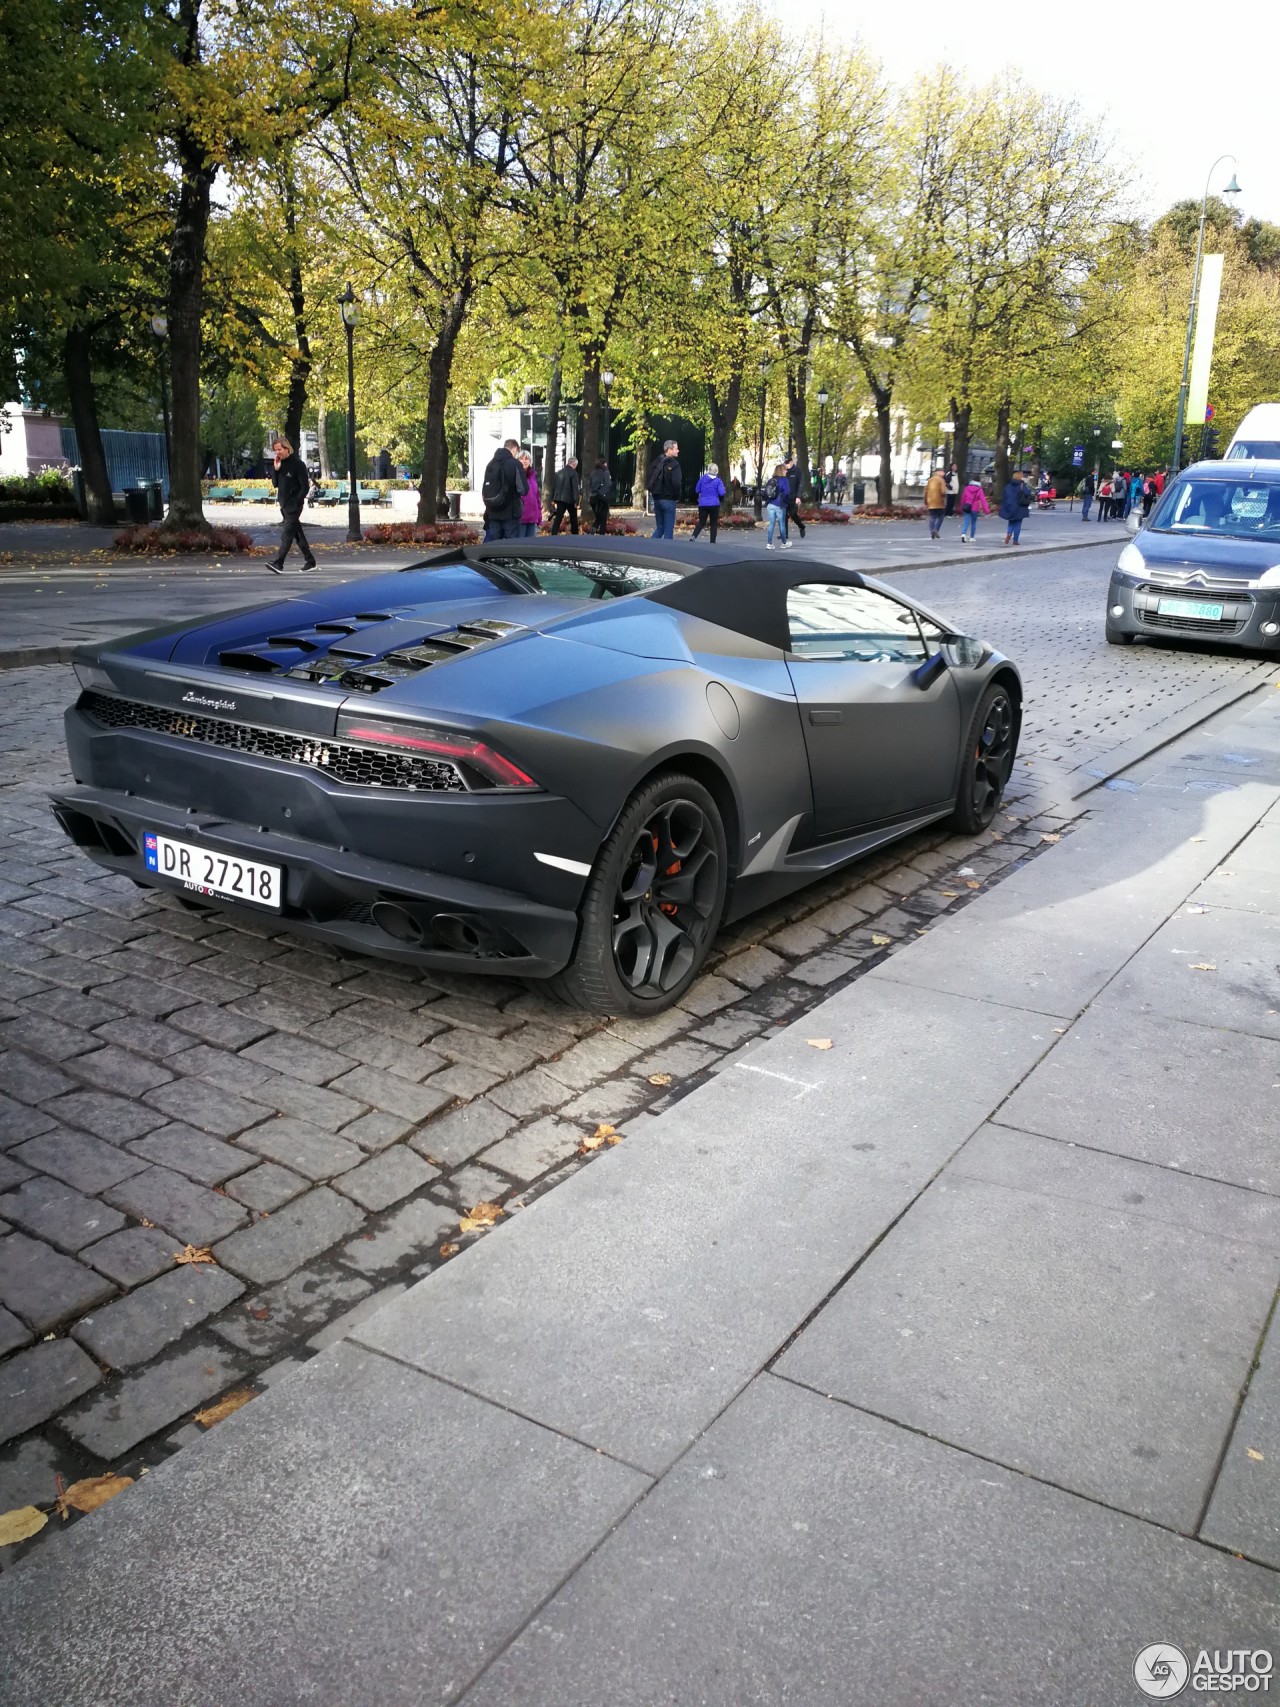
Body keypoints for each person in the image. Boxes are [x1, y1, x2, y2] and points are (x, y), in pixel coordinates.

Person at [265, 436, 316, 573]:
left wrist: (297, 501)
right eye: (275, 450)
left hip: (294, 506)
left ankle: (279, 563)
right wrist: (276, 470)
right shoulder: (279, 464)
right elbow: (276, 484)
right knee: (297, 534)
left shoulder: (298, 464)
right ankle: (310, 561)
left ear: (287, 449)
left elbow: (304, 486)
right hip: (284, 505)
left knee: (287, 534)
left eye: (279, 449)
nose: (277, 453)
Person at [481, 437, 526, 541]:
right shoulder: (515, 464)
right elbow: (523, 489)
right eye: (517, 451)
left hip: (493, 511)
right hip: (511, 512)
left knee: (494, 546)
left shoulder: (491, 464)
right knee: (512, 547)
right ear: (514, 449)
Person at [646, 439, 682, 539]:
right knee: (668, 531)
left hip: (657, 499)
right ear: (669, 450)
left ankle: (649, 548)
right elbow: (676, 483)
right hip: (669, 500)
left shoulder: (656, 462)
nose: (678, 451)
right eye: (676, 448)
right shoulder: (675, 465)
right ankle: (666, 553)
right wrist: (677, 496)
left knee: (660, 528)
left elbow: (649, 477)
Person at [692, 462, 726, 542]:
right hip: (714, 504)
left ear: (708, 470)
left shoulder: (702, 479)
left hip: (703, 504)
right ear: (716, 471)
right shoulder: (718, 481)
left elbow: (697, 490)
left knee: (701, 522)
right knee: (713, 524)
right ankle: (712, 542)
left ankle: (694, 536)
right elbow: (721, 493)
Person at [549, 457, 580, 534]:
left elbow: (554, 486)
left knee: (558, 517)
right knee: (573, 518)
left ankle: (554, 532)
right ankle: (575, 534)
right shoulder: (573, 473)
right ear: (574, 464)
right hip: (570, 499)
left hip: (560, 499)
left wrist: (552, 498)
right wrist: (576, 500)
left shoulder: (559, 472)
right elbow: (575, 488)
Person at [764, 463, 792, 549]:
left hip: (770, 505)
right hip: (780, 504)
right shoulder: (784, 480)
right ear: (782, 471)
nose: (786, 471)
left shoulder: (771, 480)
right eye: (785, 469)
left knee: (771, 524)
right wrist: (786, 501)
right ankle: (784, 543)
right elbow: (787, 492)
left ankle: (769, 543)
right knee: (781, 524)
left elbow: (766, 492)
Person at [999, 469, 1030, 544]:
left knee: (1011, 521)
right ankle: (1015, 540)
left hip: (1010, 506)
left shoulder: (1008, 485)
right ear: (1020, 477)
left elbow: (1005, 495)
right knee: (1018, 523)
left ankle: (1009, 533)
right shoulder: (1022, 485)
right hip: (1020, 507)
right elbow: (1027, 493)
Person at [958, 475, 989, 542]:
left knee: (966, 521)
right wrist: (986, 510)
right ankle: (972, 537)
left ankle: (963, 534)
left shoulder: (967, 488)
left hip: (966, 506)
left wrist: (961, 507)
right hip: (975, 508)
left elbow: (963, 498)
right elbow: (983, 500)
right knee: (973, 522)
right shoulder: (979, 489)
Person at [517, 451, 541, 538]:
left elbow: (536, 496)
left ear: (530, 461)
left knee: (530, 545)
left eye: (526, 459)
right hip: (521, 517)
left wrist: (539, 514)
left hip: (532, 517)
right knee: (520, 545)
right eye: (521, 459)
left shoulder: (533, 475)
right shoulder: (516, 474)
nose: (524, 461)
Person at [783, 456, 806, 539]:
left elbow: (801, 484)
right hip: (785, 497)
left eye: (788, 463)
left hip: (794, 497)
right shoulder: (784, 471)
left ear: (792, 462)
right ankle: (785, 534)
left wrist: (798, 496)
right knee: (784, 515)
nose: (787, 465)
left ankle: (801, 526)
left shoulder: (797, 471)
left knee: (793, 514)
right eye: (785, 463)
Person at [588, 458, 612, 534]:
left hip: (593, 497)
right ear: (604, 464)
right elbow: (608, 484)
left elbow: (591, 484)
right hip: (602, 497)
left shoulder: (592, 473)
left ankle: (592, 530)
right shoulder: (606, 472)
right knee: (603, 518)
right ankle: (601, 534)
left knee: (598, 517)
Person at [925, 465, 947, 539]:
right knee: (941, 516)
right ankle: (936, 529)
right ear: (938, 472)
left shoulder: (930, 480)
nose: (944, 473)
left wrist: (925, 500)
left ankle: (932, 531)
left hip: (930, 501)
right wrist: (944, 496)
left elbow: (926, 491)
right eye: (943, 472)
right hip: (939, 502)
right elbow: (943, 492)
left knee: (932, 517)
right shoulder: (941, 480)